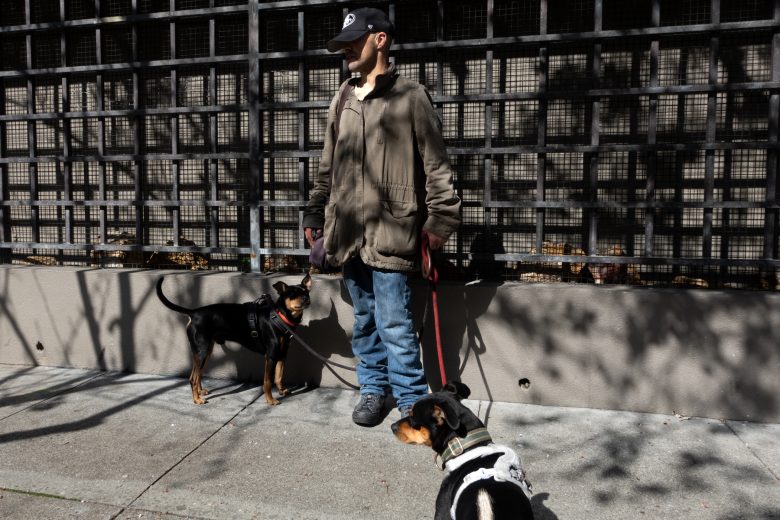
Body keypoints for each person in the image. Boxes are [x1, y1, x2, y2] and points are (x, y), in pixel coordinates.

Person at [303, 7, 461, 427]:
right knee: (365, 323)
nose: (347, 49)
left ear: (380, 39)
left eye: (354, 40)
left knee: (395, 322)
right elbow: (327, 168)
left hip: (393, 231)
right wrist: (315, 213)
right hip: (347, 232)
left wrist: (440, 223)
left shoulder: (411, 96)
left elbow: (437, 167)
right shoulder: (342, 97)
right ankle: (373, 390)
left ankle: (412, 402)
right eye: (343, 43)